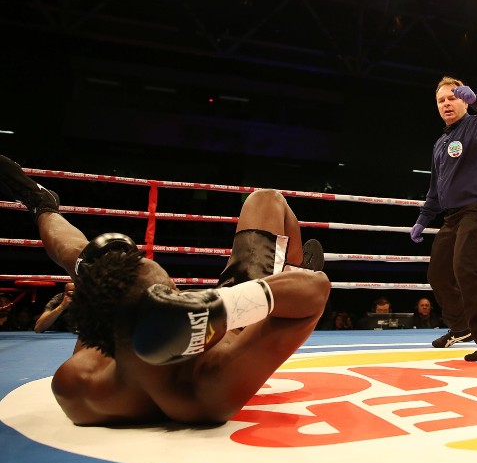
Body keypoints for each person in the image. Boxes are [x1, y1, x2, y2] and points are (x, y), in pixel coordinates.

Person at [1, 154, 330, 426]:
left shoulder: (80, 382)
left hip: (143, 325)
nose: (178, 289)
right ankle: (294, 263)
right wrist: (216, 310)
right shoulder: (206, 387)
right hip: (236, 319)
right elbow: (314, 291)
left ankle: (41, 203)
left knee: (90, 258)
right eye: (172, 289)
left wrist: (89, 293)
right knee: (268, 200)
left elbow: (95, 323)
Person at [409, 76, 477, 362]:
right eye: (441, 101)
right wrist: (423, 219)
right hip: (453, 217)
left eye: (451, 98)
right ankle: (461, 326)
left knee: (465, 268)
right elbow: (435, 189)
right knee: (438, 273)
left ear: (463, 100)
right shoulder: (441, 143)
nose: (446, 104)